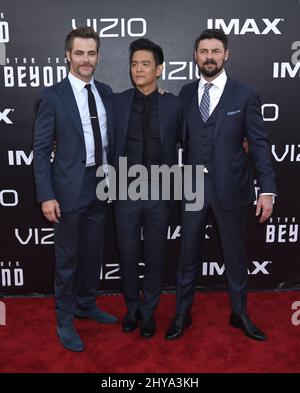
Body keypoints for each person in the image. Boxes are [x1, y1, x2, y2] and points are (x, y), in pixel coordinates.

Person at [165, 29, 277, 341]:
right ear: (195, 56)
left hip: (233, 190)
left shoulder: (245, 94)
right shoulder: (185, 94)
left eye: (216, 51)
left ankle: (239, 313)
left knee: (236, 257)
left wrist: (266, 189)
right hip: (192, 190)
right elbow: (173, 134)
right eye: (203, 51)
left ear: (226, 54)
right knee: (186, 257)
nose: (209, 57)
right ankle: (182, 314)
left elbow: (258, 144)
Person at [33, 26, 118, 352]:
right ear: (67, 55)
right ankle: (65, 321)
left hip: (102, 184)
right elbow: (40, 151)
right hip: (68, 187)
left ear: (98, 56)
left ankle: (86, 303)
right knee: (67, 259)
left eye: (91, 53)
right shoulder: (52, 96)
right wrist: (46, 194)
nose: (86, 59)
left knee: (94, 252)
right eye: (79, 53)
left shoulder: (106, 92)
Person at [113, 38, 181, 338]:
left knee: (155, 253)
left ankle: (149, 310)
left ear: (160, 69)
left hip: (160, 192)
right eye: (134, 64)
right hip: (124, 191)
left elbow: (198, 136)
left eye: (145, 64)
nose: (137, 69)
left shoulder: (174, 103)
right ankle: (132, 308)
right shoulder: (116, 101)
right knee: (127, 253)